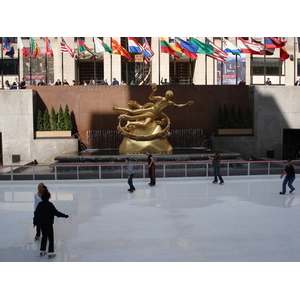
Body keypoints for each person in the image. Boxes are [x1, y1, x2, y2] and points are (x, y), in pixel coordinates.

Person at [113, 83, 193, 130]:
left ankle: (126, 119)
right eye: (167, 95)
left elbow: (178, 106)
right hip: (151, 109)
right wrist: (153, 91)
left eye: (169, 96)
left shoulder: (170, 103)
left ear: (171, 97)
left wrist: (186, 104)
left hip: (153, 115)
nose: (168, 97)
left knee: (141, 121)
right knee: (133, 112)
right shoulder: (160, 98)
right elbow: (151, 98)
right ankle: (118, 109)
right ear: (166, 95)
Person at [34, 187, 69, 259]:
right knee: (50, 237)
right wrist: (65, 216)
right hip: (48, 223)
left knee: (44, 236)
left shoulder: (40, 204)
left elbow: (36, 213)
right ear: (48, 197)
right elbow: (56, 213)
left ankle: (42, 250)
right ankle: (51, 252)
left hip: (42, 223)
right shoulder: (49, 205)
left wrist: (35, 221)